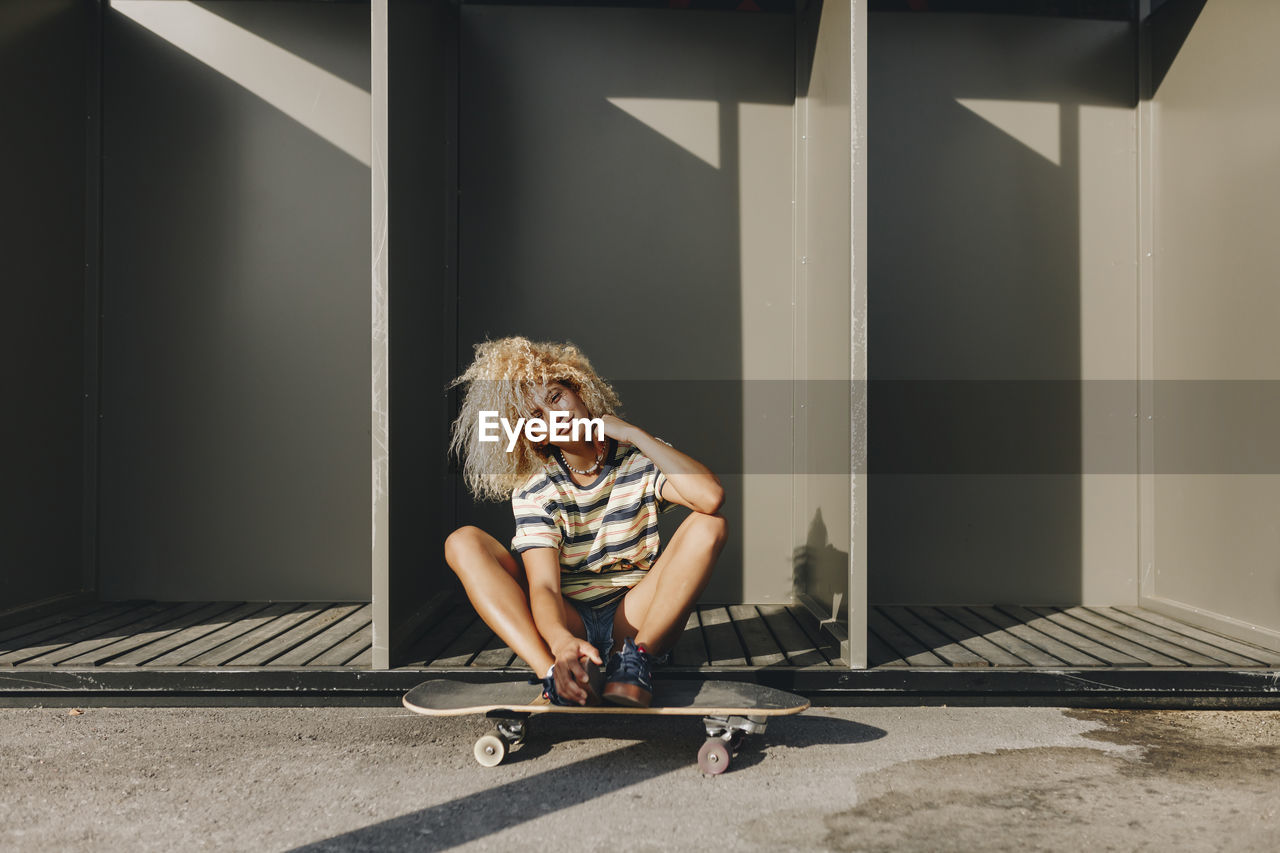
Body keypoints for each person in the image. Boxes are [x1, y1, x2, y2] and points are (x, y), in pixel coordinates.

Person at [443, 337, 726, 707]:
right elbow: (544, 587)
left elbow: (710, 497)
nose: (555, 416)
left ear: (580, 391)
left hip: (633, 618)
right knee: (463, 541)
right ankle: (552, 675)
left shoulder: (636, 458)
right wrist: (560, 641)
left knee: (710, 524)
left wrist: (635, 435)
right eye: (537, 418)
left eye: (556, 397)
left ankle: (634, 662)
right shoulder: (536, 488)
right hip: (568, 618)